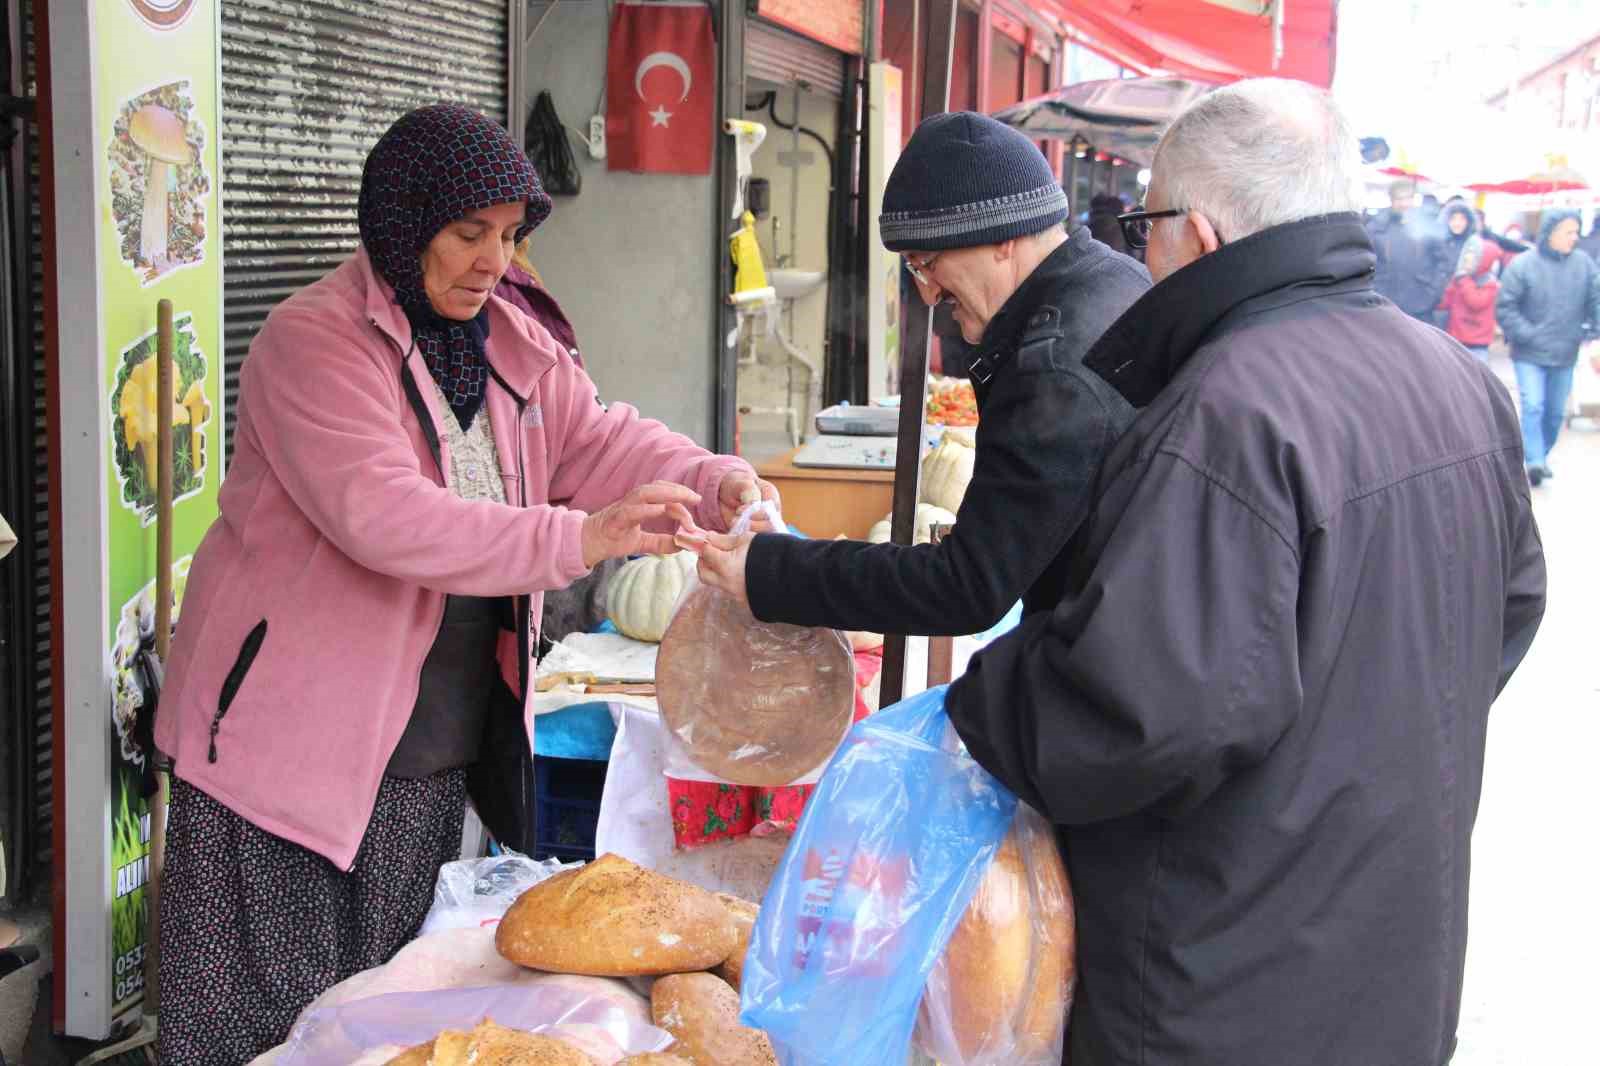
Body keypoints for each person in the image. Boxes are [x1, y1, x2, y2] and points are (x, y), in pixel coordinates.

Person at [152, 104, 775, 1064]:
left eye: (511, 235)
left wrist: (710, 475)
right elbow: (385, 515)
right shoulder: (311, 344)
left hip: (433, 748)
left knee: (390, 1020)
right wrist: (583, 536)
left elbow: (599, 435)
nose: (494, 260)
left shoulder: (509, 342)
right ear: (403, 225)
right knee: (262, 1030)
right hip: (288, 746)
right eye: (467, 233)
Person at [941, 79, 1545, 1065]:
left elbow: (1127, 719)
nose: (1140, 251)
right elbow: (1506, 614)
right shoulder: (1455, 378)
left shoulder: (1223, 414)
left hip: (1217, 981)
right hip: (1395, 946)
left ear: (1201, 234)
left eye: (1145, 224)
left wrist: (992, 689)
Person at [678, 111, 1150, 640]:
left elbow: (965, 586)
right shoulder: (1114, 279)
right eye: (913, 269)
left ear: (1002, 238)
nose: (927, 293)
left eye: (928, 262)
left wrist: (768, 571)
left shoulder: (1055, 369)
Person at [1495, 209, 1600, 485]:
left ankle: (1539, 454)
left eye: (1576, 232)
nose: (1574, 238)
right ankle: (1535, 461)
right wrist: (1528, 334)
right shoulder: (1523, 265)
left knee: (1554, 413)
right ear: (1551, 233)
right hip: (1529, 352)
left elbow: (1596, 301)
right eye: (1569, 232)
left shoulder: (1584, 265)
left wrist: (1596, 333)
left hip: (1565, 351)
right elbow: (1505, 307)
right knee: (1533, 406)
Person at [1367, 179, 1448, 320]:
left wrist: (1433, 293)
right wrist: (1374, 291)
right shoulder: (1377, 228)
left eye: (1407, 198)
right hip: (1385, 303)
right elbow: (1367, 262)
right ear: (1391, 200)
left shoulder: (1427, 225)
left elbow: (1443, 263)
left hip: (1420, 303)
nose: (1404, 204)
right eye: (1399, 199)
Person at [1437, 234, 1500, 359]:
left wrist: (1464, 280)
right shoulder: (1460, 279)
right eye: (1465, 257)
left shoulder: (1490, 284)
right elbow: (1443, 304)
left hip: (1478, 343)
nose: (1467, 260)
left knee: (1476, 376)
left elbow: (1476, 302)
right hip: (1456, 338)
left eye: (1471, 258)